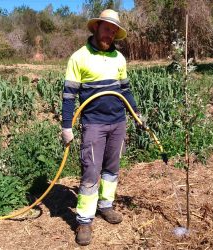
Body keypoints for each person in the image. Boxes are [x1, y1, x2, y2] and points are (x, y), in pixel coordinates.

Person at [61, 9, 141, 246]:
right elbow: (68, 96)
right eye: (107, 29)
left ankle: (105, 205)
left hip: (118, 122)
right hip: (94, 124)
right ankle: (84, 220)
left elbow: (125, 90)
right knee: (90, 171)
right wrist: (67, 126)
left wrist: (136, 114)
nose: (110, 34)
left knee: (112, 167)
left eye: (114, 31)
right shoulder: (79, 57)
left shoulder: (119, 58)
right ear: (96, 28)